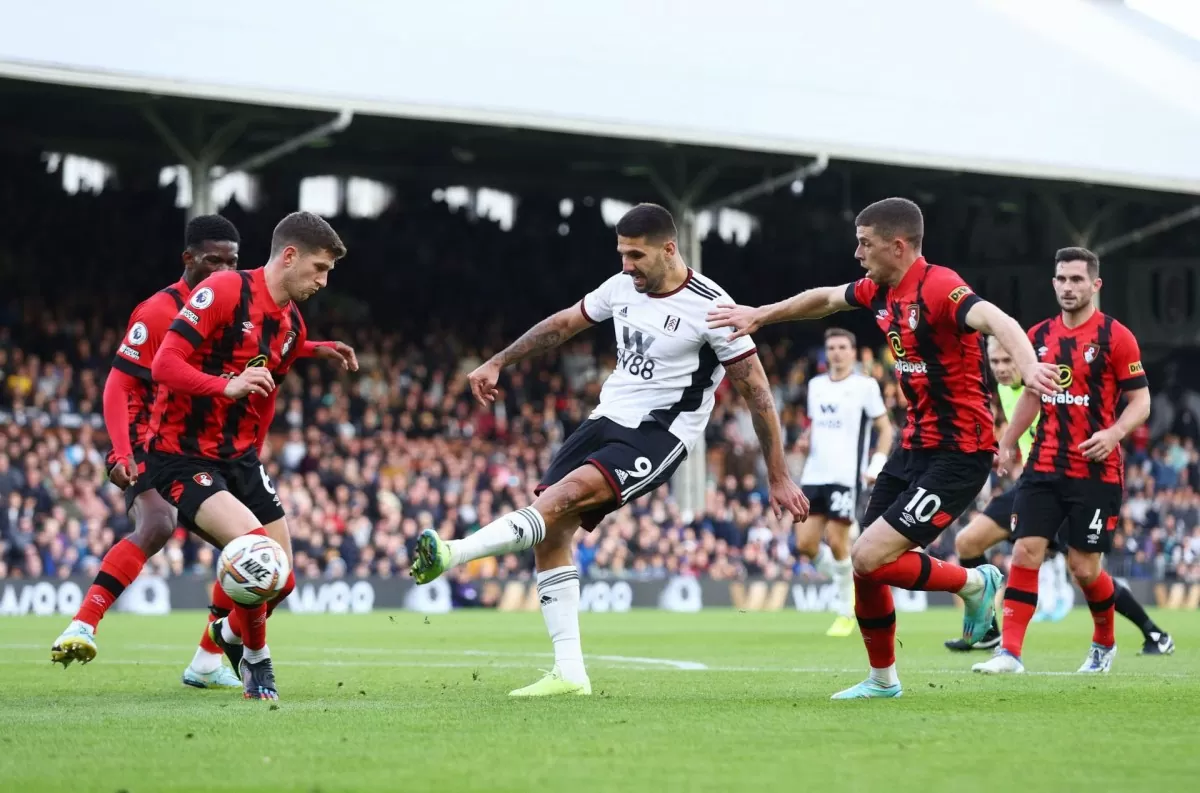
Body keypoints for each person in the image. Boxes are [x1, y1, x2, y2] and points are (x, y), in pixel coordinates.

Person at [410, 202, 808, 697]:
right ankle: (569, 672)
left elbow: (758, 393)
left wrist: (778, 474)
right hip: (603, 421)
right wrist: (499, 361)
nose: (626, 265)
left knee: (557, 501)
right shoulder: (622, 287)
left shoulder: (713, 307)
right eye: (621, 254)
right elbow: (563, 324)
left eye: (636, 255)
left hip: (658, 435)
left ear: (669, 249)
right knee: (549, 534)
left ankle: (450, 553)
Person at [707, 197, 1060, 700]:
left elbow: (998, 320)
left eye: (865, 243)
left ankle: (975, 584)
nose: (857, 253)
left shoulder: (940, 286)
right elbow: (825, 299)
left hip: (960, 451)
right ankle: (882, 680)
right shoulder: (879, 289)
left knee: (869, 555)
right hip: (913, 445)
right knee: (862, 562)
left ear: (898, 246)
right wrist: (761, 315)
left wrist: (1027, 368)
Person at [145, 211, 356, 699]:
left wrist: (316, 348)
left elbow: (274, 346)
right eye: (319, 268)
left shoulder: (290, 322)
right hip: (184, 454)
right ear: (289, 256)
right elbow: (164, 364)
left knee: (283, 581)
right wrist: (226, 386)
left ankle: (216, 644)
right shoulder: (221, 290)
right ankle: (255, 661)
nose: (324, 281)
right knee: (259, 557)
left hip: (239, 459)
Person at [51, 215, 243, 688]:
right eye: (212, 260)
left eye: (232, 262)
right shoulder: (159, 311)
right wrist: (121, 453)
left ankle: (205, 661)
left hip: (194, 446)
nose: (222, 270)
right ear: (189, 259)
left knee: (246, 550)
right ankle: (82, 623)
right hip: (146, 439)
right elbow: (118, 385)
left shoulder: (233, 311)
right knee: (158, 522)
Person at [974, 247, 1154, 674]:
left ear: (1095, 284)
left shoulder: (1116, 337)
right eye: (1061, 279)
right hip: (1043, 466)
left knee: (1083, 567)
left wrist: (1113, 433)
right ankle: (1010, 654)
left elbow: (1141, 400)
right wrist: (1008, 440)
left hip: (1096, 471)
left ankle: (1104, 641)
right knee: (1025, 552)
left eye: (1077, 279)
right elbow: (1032, 396)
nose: (1068, 287)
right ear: (1053, 283)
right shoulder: (1037, 336)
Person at [945, 338, 1173, 655]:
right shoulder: (1009, 392)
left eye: (1006, 362)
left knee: (1086, 573)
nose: (1000, 369)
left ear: (1023, 359)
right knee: (967, 542)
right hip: (1033, 486)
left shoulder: (1050, 387)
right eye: (994, 362)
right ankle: (989, 632)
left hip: (1069, 486)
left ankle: (1155, 634)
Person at [796, 327, 893, 637]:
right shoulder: (815, 386)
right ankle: (845, 582)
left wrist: (876, 464)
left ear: (853, 352)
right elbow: (817, 426)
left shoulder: (865, 387)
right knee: (805, 544)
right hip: (814, 474)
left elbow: (886, 430)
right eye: (832, 348)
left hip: (845, 476)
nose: (836, 353)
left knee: (838, 542)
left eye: (842, 347)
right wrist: (806, 440)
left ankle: (844, 609)